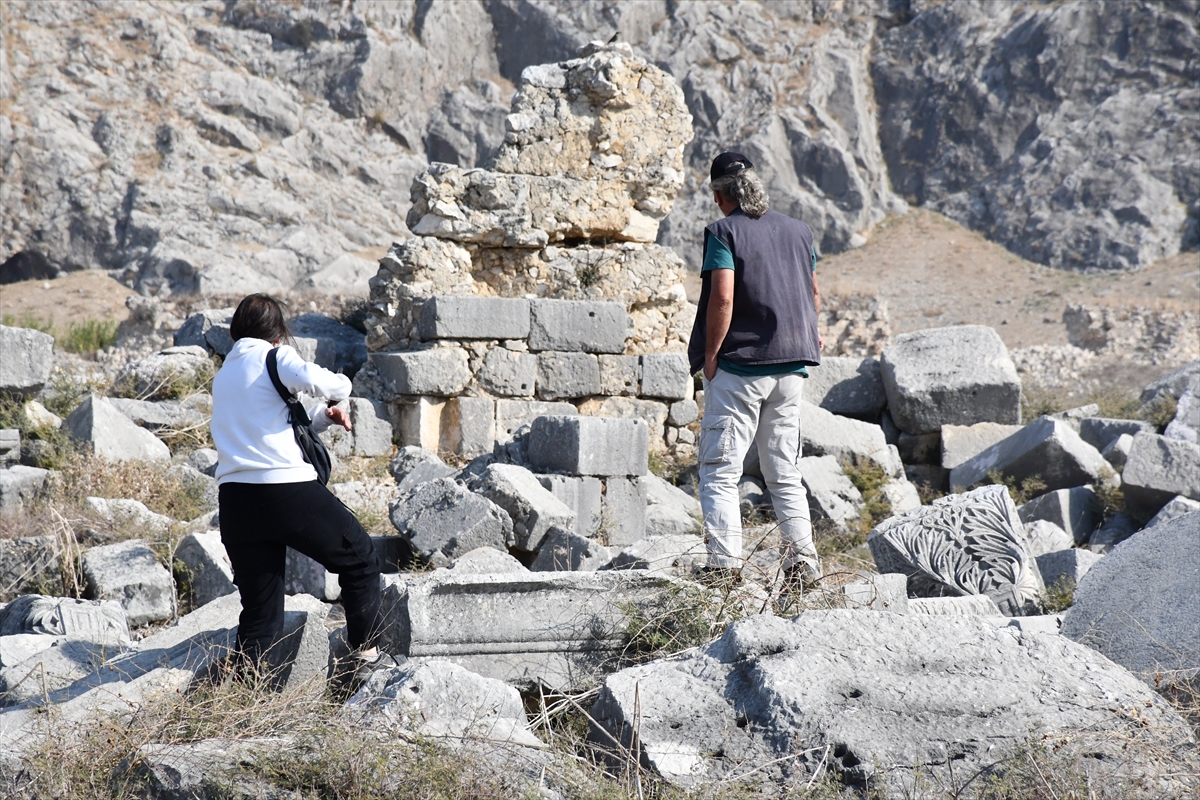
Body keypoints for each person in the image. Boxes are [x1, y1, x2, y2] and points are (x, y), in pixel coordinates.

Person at [211, 293, 389, 686]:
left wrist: (320, 418)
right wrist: (342, 387)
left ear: (236, 331)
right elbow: (317, 380)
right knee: (360, 558)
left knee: (261, 615)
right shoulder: (275, 357)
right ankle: (366, 660)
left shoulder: (225, 375)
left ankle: (236, 700)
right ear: (277, 333)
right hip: (284, 491)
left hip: (237, 503)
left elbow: (271, 426)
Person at [687, 152, 823, 591]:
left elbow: (722, 299)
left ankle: (725, 571)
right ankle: (805, 571)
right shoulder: (800, 232)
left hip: (741, 368)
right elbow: (814, 292)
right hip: (791, 370)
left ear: (718, 195)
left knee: (720, 469)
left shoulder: (723, 232)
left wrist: (710, 356)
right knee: (783, 472)